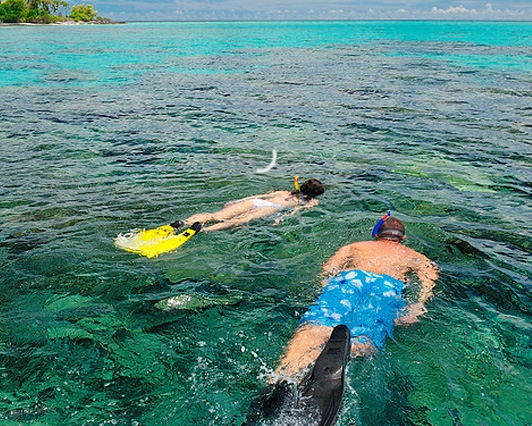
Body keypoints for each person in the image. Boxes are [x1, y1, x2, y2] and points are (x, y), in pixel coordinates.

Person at [273, 213, 439, 380]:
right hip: (386, 287)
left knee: (315, 326)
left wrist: (328, 287)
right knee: (366, 338)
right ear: (403, 237)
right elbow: (429, 278)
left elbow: (328, 269)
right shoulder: (414, 256)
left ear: (377, 234)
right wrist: (417, 305)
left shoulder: (355, 246)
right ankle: (349, 347)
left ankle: (282, 375)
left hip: (352, 279)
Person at [175, 178, 325, 233]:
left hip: (255, 202)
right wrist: (280, 219)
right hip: (271, 209)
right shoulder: (310, 202)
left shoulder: (284, 192)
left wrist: (238, 201)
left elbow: (259, 196)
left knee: (217, 215)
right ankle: (204, 230)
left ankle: (185, 222)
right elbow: (295, 212)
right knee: (240, 221)